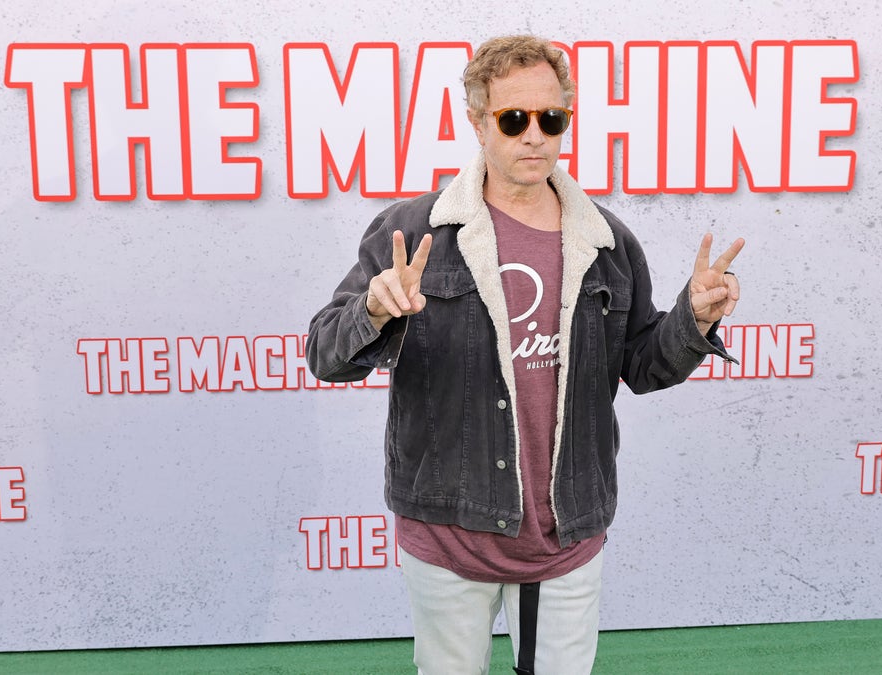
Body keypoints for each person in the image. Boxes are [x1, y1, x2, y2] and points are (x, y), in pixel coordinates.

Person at [305, 34, 743, 675]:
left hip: (564, 530)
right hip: (449, 527)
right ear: (478, 121)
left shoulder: (609, 243)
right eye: (514, 120)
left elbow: (643, 366)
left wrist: (692, 320)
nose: (533, 136)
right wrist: (373, 310)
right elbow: (324, 351)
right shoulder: (414, 231)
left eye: (550, 118)